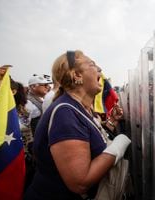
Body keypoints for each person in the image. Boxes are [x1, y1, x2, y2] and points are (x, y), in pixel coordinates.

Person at [24, 50, 131, 200]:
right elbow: (80, 182)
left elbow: (91, 140)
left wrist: (112, 122)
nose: (100, 69)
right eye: (92, 64)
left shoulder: (80, 108)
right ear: (77, 75)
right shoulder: (65, 113)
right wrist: (119, 145)